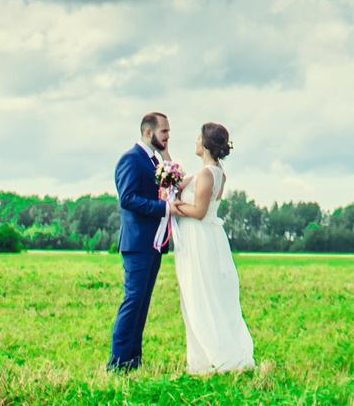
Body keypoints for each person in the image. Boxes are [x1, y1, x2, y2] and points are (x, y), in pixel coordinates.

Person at [167, 121, 256, 373]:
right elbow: (179, 185)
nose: (195, 140)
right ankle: (204, 357)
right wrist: (167, 174)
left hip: (199, 238)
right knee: (201, 295)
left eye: (198, 137)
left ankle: (217, 355)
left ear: (206, 144)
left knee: (200, 295)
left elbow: (199, 211)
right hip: (204, 237)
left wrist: (173, 208)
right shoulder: (212, 171)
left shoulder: (207, 174)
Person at [108, 111, 175, 372]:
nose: (168, 137)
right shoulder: (131, 159)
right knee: (132, 301)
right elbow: (127, 199)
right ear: (148, 132)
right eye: (164, 132)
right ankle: (117, 363)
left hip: (154, 243)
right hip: (136, 243)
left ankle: (133, 361)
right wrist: (164, 208)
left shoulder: (153, 161)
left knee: (142, 304)